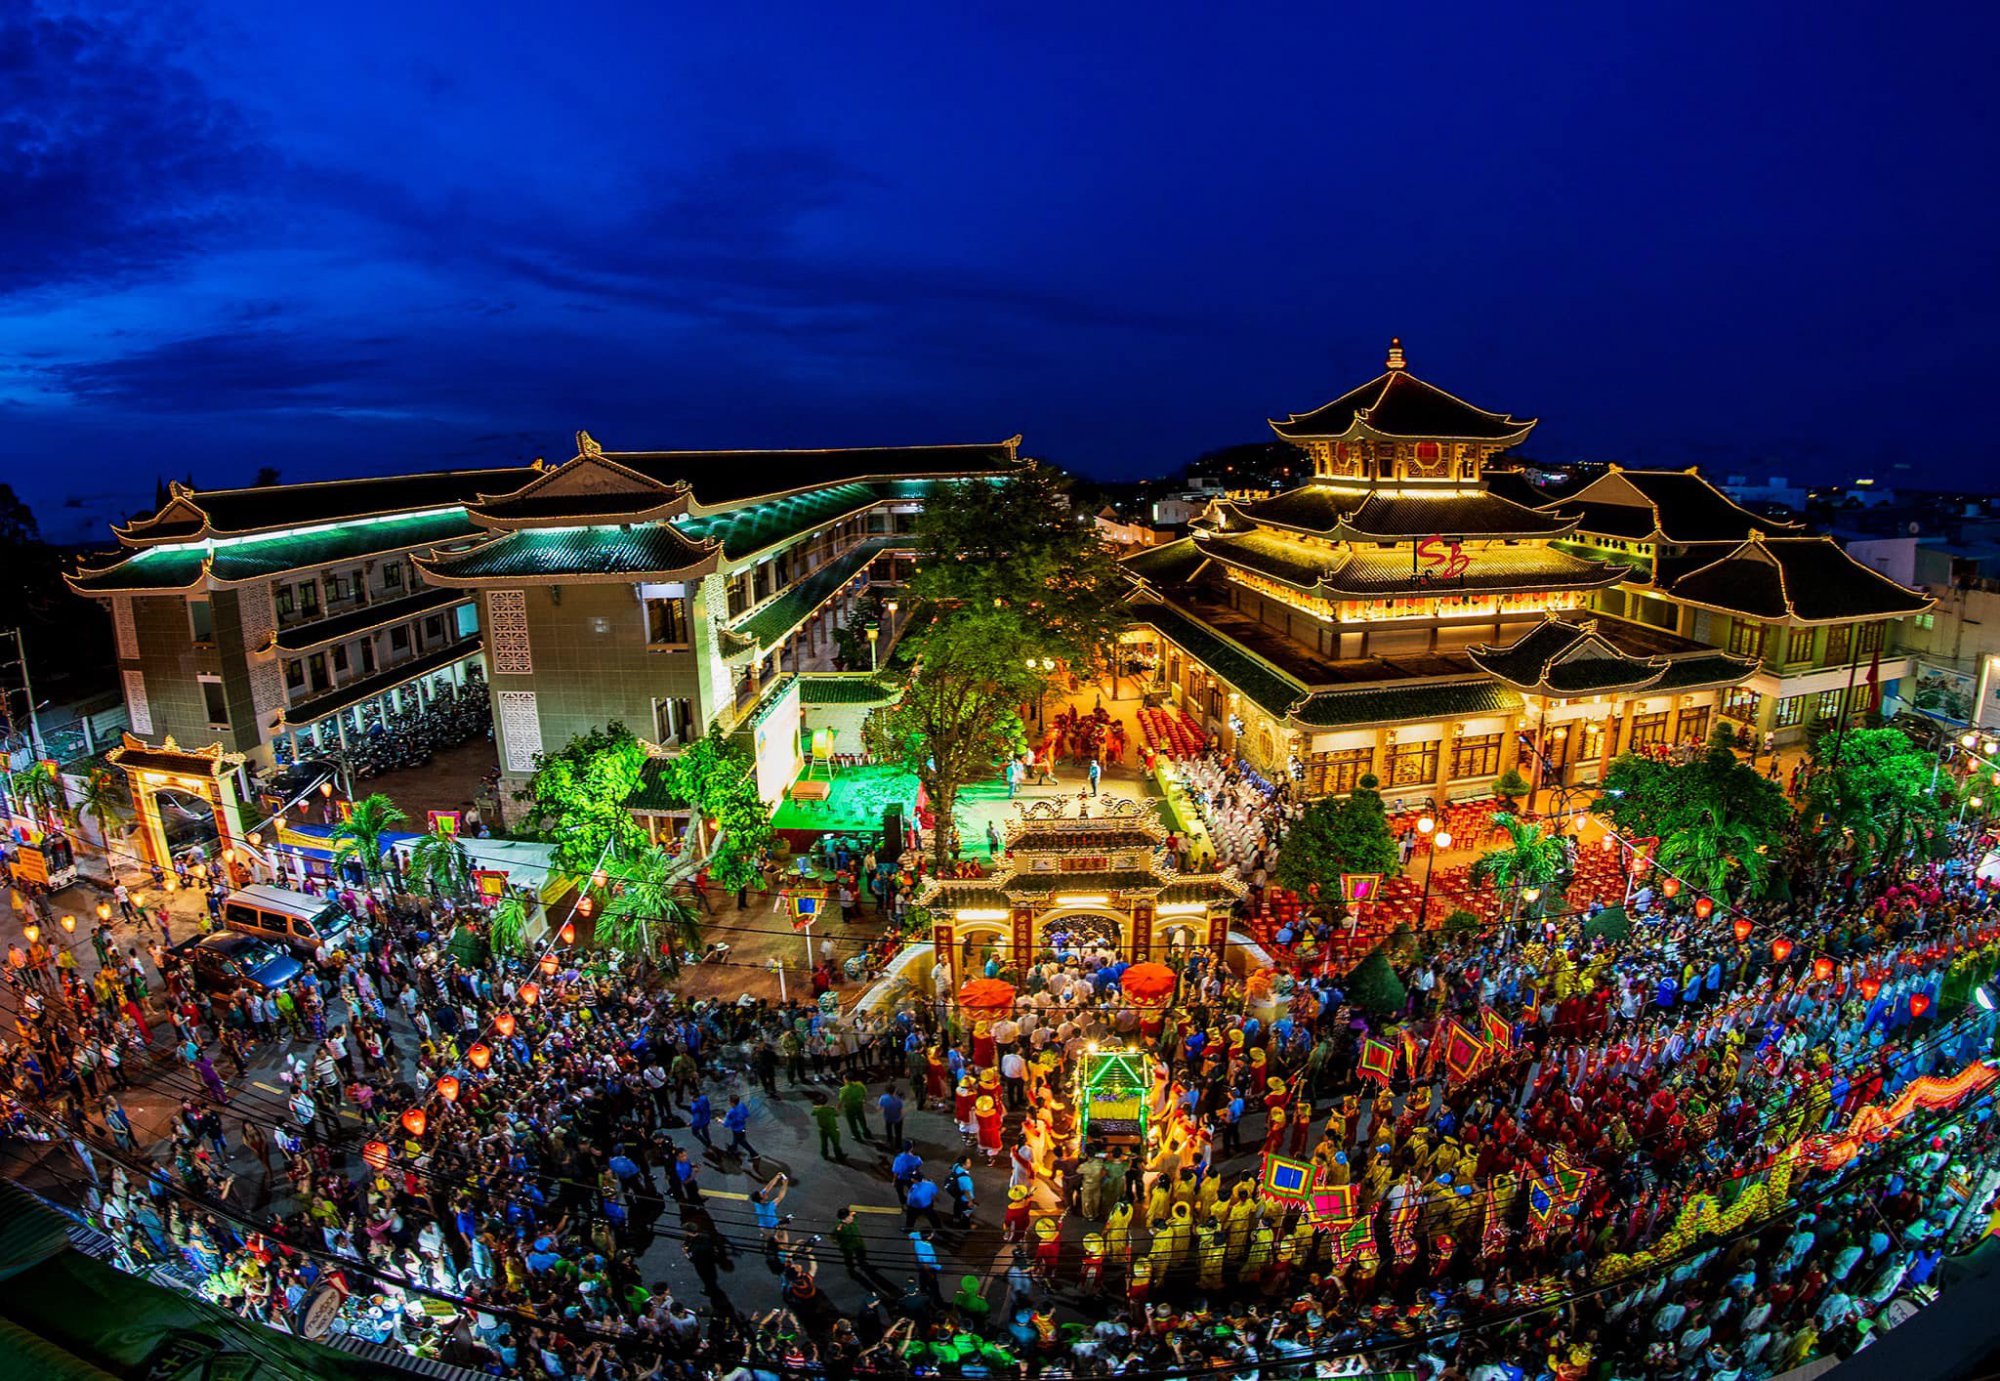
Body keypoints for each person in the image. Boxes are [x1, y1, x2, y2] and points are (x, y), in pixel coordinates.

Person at [838, 1074, 870, 1142]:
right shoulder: (860, 1085)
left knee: (852, 1122)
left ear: (846, 1080)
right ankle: (866, 1132)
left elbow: (841, 1100)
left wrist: (838, 1108)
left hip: (849, 1108)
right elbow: (865, 1093)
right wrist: (863, 1099)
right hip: (859, 1105)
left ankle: (856, 1136)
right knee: (862, 1119)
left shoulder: (844, 1089)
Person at [878, 1085, 906, 1151]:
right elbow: (902, 1111)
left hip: (888, 1117)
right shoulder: (898, 1100)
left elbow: (879, 1108)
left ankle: (889, 1142)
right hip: (897, 1118)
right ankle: (898, 1146)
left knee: (889, 1130)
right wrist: (901, 1117)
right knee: (898, 1133)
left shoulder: (883, 1098)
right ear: (895, 1090)